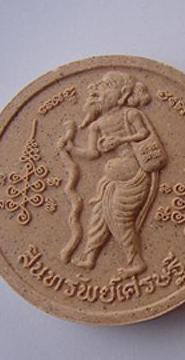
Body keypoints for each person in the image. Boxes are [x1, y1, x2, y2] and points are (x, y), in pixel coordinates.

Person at [60, 71, 166, 277]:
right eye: (100, 88)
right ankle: (90, 258)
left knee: (119, 218)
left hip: (134, 176)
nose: (100, 92)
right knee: (99, 215)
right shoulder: (96, 125)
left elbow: (144, 133)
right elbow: (92, 153)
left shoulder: (130, 114)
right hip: (111, 179)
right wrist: (72, 148)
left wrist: (120, 140)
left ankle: (136, 262)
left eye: (107, 87)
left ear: (123, 92)